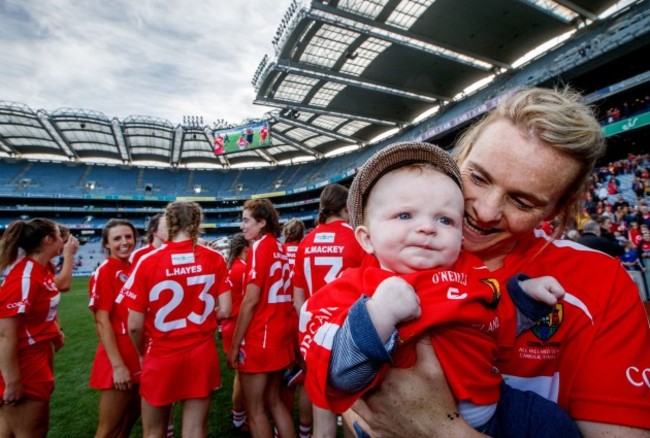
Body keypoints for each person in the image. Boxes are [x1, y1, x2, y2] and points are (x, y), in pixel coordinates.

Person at [346, 87, 650, 437]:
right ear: (458, 157)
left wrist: (441, 431)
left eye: (522, 202)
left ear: (556, 209)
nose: (486, 211)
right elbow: (358, 410)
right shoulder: (387, 250)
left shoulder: (600, 283)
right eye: (477, 177)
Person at [300, 142, 576, 436]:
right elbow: (338, 375)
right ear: (367, 239)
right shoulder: (350, 289)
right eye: (405, 215)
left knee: (556, 424)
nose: (427, 228)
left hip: (498, 408)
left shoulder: (470, 275)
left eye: (445, 219)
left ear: (460, 236)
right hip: (398, 424)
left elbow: (498, 324)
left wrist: (526, 300)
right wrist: (376, 316)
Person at [121, 200, 232, 438]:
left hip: (161, 352)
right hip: (202, 352)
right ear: (197, 224)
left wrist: (142, 352)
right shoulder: (214, 258)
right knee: (194, 429)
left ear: (169, 223)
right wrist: (199, 319)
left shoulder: (147, 261)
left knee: (154, 431)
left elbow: (133, 325)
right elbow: (226, 309)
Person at [293, 182, 366, 438]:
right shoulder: (358, 238)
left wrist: (311, 334)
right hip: (350, 337)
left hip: (317, 339)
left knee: (321, 424)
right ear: (347, 208)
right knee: (353, 412)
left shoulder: (306, 242)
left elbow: (298, 301)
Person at [227, 198, 296, 438]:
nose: (242, 226)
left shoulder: (259, 247)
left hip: (260, 337)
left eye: (246, 221)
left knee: (255, 410)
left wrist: (235, 346)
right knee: (275, 402)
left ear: (262, 222)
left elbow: (251, 299)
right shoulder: (279, 246)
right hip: (279, 334)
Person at [0, 218, 64, 438]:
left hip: (37, 356)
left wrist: (55, 330)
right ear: (48, 240)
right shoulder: (25, 276)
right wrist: (13, 381)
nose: (62, 240)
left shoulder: (42, 268)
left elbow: (40, 310)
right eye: (58, 235)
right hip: (25, 363)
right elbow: (4, 334)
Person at [88, 218, 141, 438]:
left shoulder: (135, 267)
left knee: (128, 421)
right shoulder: (106, 271)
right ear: (107, 244)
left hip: (138, 352)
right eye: (117, 238)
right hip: (118, 356)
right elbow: (102, 321)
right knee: (109, 429)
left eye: (128, 237)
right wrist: (118, 366)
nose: (124, 242)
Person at [222, 233, 250, 435]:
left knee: (241, 376)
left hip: (229, 325)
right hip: (238, 326)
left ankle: (239, 415)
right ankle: (239, 419)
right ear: (245, 249)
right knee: (243, 376)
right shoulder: (243, 269)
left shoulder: (231, 267)